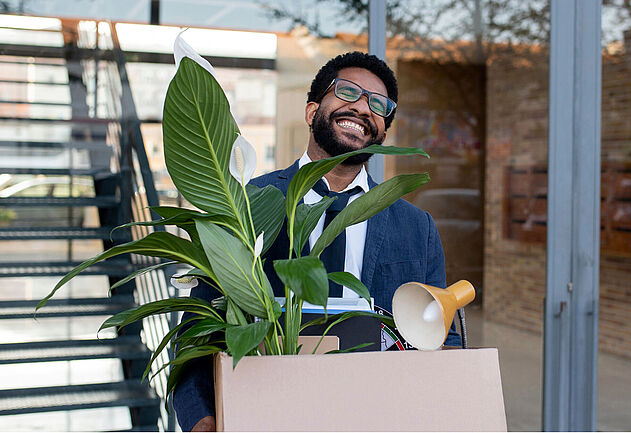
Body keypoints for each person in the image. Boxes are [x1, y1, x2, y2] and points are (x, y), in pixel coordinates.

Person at [173, 51, 459, 432]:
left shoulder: (415, 227)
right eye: (347, 92)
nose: (362, 108)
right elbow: (196, 332)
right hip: (264, 415)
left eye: (379, 106)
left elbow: (445, 339)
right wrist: (204, 423)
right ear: (311, 112)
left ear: (382, 134)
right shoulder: (244, 202)